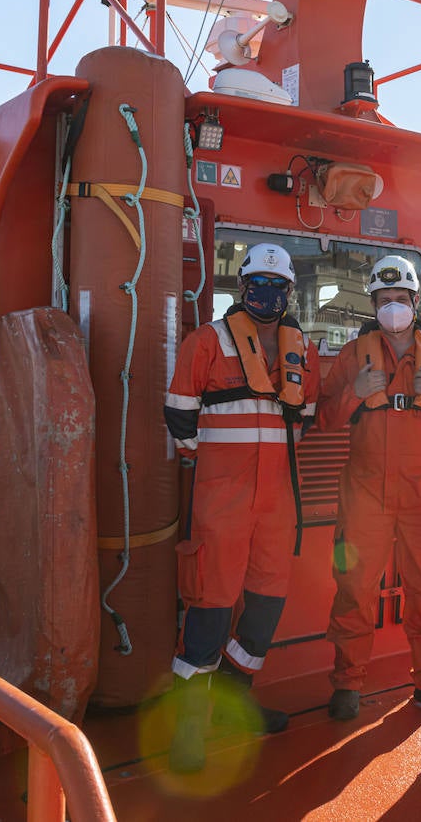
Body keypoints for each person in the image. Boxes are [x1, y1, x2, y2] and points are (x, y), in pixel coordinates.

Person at [162, 242, 320, 773]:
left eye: (278, 288)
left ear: (289, 292)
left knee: (265, 609)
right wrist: (214, 471)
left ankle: (235, 702)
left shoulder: (303, 350)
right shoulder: (207, 341)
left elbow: (308, 415)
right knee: (208, 609)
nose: (268, 295)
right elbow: (180, 415)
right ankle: (190, 728)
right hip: (222, 501)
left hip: (277, 505)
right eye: (259, 286)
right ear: (242, 288)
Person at [317, 255, 421, 721]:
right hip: (365, 491)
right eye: (384, 300)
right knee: (353, 589)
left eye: (400, 299)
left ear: (415, 302)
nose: (392, 307)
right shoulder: (353, 355)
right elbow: (324, 419)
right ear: (373, 303)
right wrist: (355, 392)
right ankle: (347, 684)